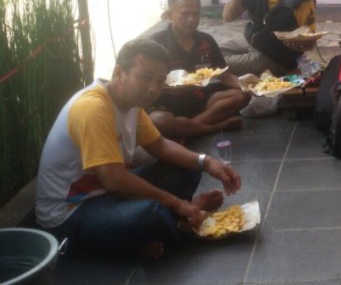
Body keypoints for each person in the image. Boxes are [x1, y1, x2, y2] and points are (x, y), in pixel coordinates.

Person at [35, 38, 242, 258]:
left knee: (189, 167)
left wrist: (207, 162)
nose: (153, 89)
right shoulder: (93, 108)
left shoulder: (131, 104)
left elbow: (160, 145)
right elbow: (114, 180)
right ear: (118, 73)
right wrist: (177, 203)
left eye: (160, 80)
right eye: (145, 77)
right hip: (71, 213)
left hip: (106, 193)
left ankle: (151, 230)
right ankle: (175, 221)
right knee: (150, 215)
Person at [150, 0, 250, 139]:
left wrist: (250, 86)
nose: (191, 19)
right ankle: (214, 128)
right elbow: (146, 84)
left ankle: (187, 129)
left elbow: (225, 75)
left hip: (200, 99)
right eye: (185, 14)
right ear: (169, 15)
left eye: (195, 14)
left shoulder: (206, 41)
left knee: (241, 96)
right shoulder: (155, 44)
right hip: (167, 104)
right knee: (160, 121)